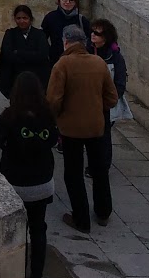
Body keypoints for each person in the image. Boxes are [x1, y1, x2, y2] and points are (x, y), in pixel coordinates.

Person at [0, 71, 57, 278]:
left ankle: (14, 276)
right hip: (41, 183)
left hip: (16, 183)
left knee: (15, 231)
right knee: (38, 230)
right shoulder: (48, 115)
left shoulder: (9, 116)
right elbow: (53, 140)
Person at [47, 26, 117, 231]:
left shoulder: (62, 64)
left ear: (66, 42)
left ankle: (81, 218)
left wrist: (57, 117)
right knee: (99, 170)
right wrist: (96, 108)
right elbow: (112, 98)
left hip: (71, 129)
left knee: (73, 173)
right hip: (95, 126)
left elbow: (53, 100)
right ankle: (103, 212)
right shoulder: (98, 63)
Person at [91, 18, 129, 169]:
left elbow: (120, 83)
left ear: (106, 37)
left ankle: (102, 165)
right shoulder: (87, 51)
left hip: (105, 104)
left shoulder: (115, 57)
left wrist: (108, 101)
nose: (93, 35)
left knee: (104, 136)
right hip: (89, 102)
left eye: (97, 33)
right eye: (92, 31)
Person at [0, 4, 51, 100]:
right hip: (15, 82)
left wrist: (18, 52)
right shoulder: (10, 34)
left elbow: (42, 55)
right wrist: (31, 54)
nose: (22, 21)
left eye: (25, 18)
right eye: (19, 18)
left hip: (37, 82)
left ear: (30, 19)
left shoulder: (39, 35)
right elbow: (8, 55)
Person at [42, 0, 92, 65]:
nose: (67, 2)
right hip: (56, 60)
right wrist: (49, 52)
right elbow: (42, 38)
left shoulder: (81, 20)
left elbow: (90, 39)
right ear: (59, 0)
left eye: (71, 0)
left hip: (78, 61)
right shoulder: (50, 18)